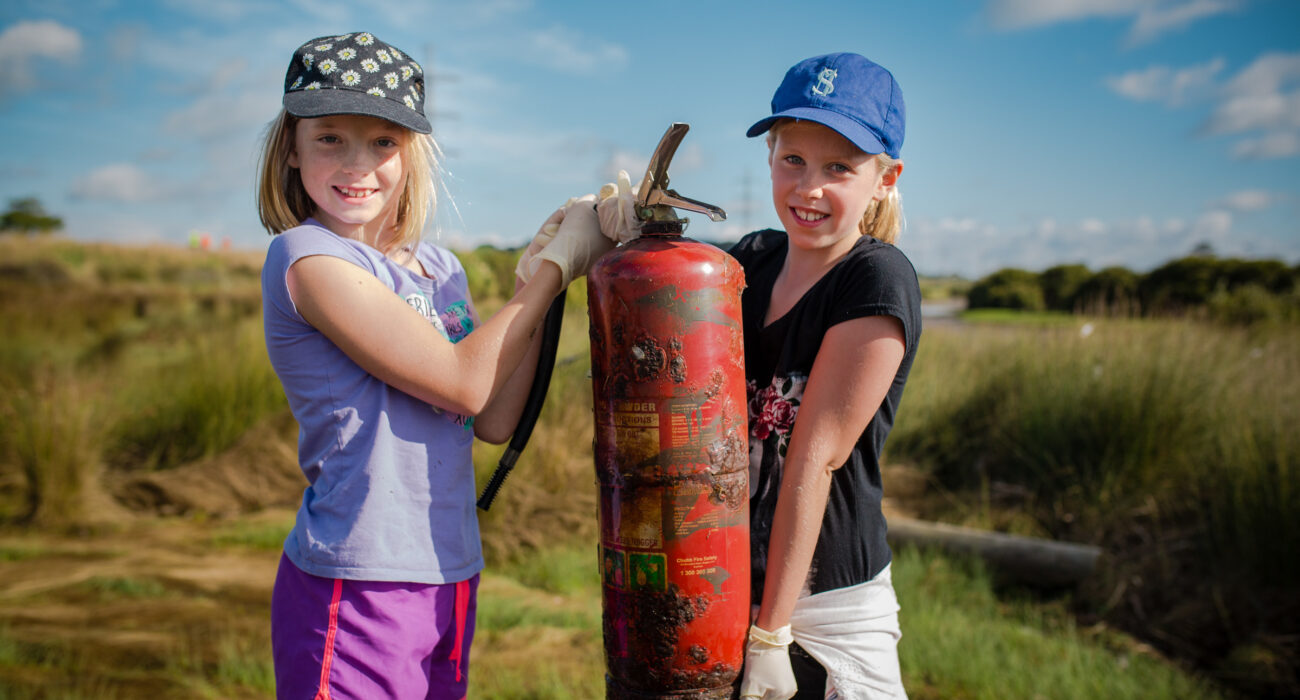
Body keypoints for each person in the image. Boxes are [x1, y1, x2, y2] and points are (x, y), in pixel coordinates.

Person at [256, 32, 611, 699]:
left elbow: (491, 413)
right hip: (358, 580)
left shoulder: (439, 272)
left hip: (448, 570)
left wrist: (532, 280)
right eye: (331, 137)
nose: (359, 164)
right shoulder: (309, 258)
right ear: (292, 147)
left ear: (410, 153)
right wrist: (555, 271)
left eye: (384, 142)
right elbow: (462, 379)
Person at [730, 53, 921, 699]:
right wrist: (615, 232)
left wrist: (770, 634)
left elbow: (815, 461)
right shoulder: (749, 259)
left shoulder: (874, 278)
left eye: (838, 167)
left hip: (824, 604)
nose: (808, 188)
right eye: (794, 161)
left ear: (885, 178)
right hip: (732, 583)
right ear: (770, 158)